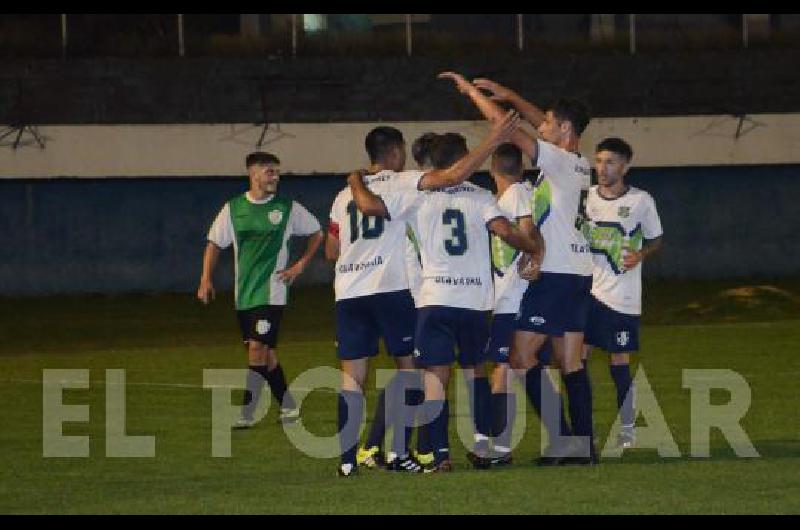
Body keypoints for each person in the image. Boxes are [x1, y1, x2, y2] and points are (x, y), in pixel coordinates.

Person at [330, 113, 522, 477]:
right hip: (399, 288)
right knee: (417, 372)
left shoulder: (345, 195)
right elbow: (453, 182)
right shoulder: (412, 185)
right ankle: (408, 450)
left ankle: (351, 457)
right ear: (396, 152)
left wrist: (355, 179)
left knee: (355, 377)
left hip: (352, 290)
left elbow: (331, 248)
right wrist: (494, 138)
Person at [440, 72, 597, 464]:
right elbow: (530, 122)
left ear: (564, 129)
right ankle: (581, 446)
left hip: (558, 274)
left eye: (546, 122)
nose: (539, 126)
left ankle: (565, 442)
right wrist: (511, 93)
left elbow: (507, 128)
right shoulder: (576, 163)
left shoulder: (559, 161)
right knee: (570, 362)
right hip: (578, 271)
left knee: (520, 357)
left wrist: (473, 93)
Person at [197, 152, 323, 428]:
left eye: (277, 173)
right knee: (265, 355)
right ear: (253, 174)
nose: (275, 178)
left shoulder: (287, 208)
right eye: (269, 172)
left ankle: (247, 412)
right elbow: (214, 244)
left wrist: (300, 265)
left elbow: (317, 232)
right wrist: (206, 279)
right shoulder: (233, 209)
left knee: (256, 349)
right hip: (244, 295)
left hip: (272, 293)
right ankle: (289, 408)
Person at [582, 137, 663, 448]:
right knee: (576, 359)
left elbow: (656, 239)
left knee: (619, 362)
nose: (602, 168)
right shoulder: (585, 198)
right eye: (599, 161)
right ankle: (585, 426)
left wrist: (641, 254)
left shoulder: (641, 201)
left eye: (610, 162)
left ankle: (627, 426)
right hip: (588, 294)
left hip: (622, 297)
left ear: (625, 166)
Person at [483, 143, 538, 466]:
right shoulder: (519, 192)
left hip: (512, 299)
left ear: (492, 169)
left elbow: (528, 228)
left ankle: (500, 448)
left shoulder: (515, 194)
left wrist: (532, 252)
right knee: (527, 369)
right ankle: (570, 435)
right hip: (513, 297)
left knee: (503, 370)